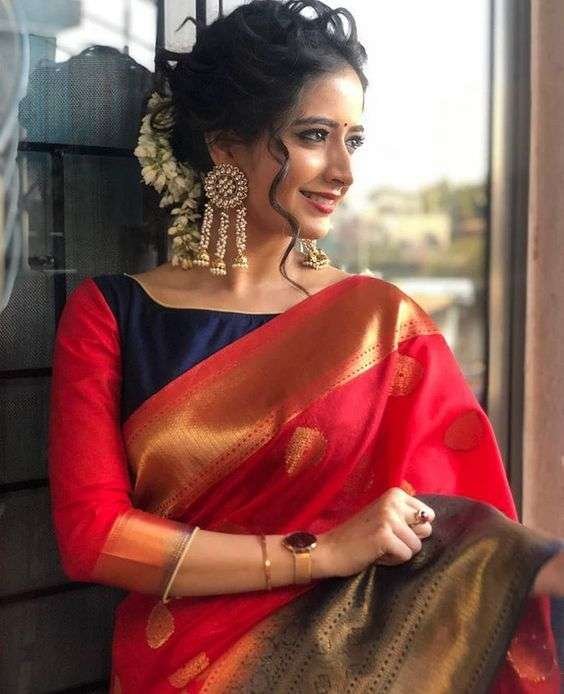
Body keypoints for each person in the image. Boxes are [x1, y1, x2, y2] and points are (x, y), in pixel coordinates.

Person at [47, 1, 564, 692]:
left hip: (352, 662)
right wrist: (318, 553)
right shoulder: (112, 314)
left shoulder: (379, 322)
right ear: (226, 147)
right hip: (179, 669)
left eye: (354, 140)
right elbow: (93, 538)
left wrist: (533, 565)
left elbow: (461, 534)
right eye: (315, 135)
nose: (343, 170)